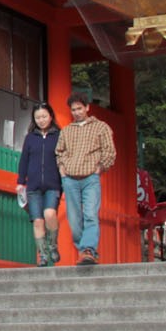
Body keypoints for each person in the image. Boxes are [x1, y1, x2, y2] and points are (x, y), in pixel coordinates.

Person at [53, 94, 116, 265]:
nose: (77, 112)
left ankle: (88, 249)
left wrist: (100, 168)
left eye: (80, 108)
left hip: (90, 177)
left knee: (90, 215)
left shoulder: (101, 127)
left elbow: (109, 151)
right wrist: (62, 169)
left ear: (87, 107)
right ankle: (85, 251)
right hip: (70, 178)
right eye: (73, 110)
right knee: (74, 219)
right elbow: (59, 152)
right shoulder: (66, 130)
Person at [15, 103, 64, 266]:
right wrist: (21, 182)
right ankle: (42, 255)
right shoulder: (30, 138)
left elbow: (64, 158)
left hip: (53, 184)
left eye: (44, 116)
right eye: (38, 118)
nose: (41, 120)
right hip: (33, 186)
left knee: (50, 214)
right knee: (37, 221)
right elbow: (24, 160)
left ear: (51, 116)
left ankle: (52, 245)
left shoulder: (59, 135)